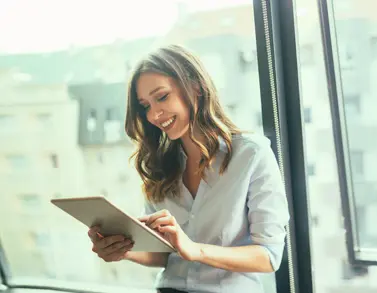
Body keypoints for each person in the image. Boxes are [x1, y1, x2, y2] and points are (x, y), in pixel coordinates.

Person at [87, 45, 290, 293]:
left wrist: (194, 249)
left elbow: (268, 256)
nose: (154, 114)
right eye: (145, 106)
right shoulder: (159, 166)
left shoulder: (252, 155)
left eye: (161, 97)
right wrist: (123, 250)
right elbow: (163, 255)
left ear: (195, 87)